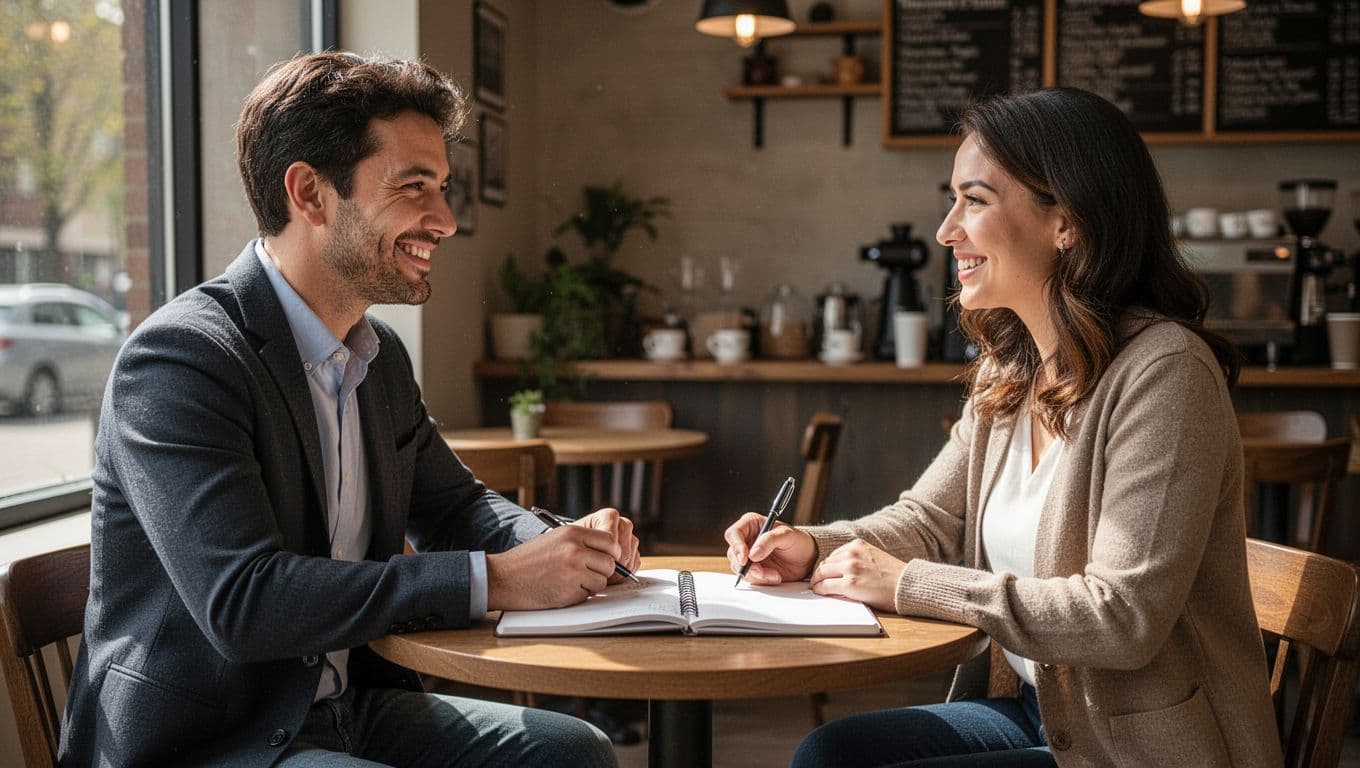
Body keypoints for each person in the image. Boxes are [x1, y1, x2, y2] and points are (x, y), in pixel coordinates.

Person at [59, 51, 634, 767]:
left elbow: (456, 508)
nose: (446, 220)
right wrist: (493, 580)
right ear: (310, 194)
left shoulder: (378, 356)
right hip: (213, 742)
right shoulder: (182, 360)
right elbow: (244, 602)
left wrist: (566, 543)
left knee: (573, 752)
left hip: (343, 707)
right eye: (415, 187)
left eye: (443, 188)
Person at [725, 88, 1281, 767]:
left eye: (975, 200)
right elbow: (929, 521)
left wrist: (908, 585)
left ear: (1066, 222)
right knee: (831, 754)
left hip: (1139, 747)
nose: (946, 230)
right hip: (1041, 709)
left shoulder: (1166, 374)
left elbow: (1122, 617)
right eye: (951, 198)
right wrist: (810, 546)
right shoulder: (1009, 368)